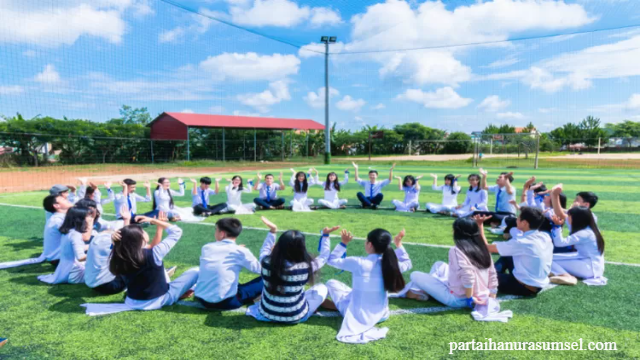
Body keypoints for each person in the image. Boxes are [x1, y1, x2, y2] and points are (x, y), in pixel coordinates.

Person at [81, 218, 198, 315]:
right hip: (159, 300)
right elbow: (177, 231)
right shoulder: (155, 252)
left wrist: (114, 236)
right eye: (142, 231)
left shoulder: (119, 254)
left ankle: (175, 291)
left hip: (131, 301)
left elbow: (120, 243)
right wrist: (155, 221)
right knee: (196, 271)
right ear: (140, 237)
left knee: (156, 268)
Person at [322, 228, 412, 344]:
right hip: (382, 314)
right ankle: (343, 304)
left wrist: (343, 243)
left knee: (331, 283)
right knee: (352, 292)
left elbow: (331, 260)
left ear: (369, 244)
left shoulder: (359, 262)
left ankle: (338, 307)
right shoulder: (392, 265)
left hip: (359, 316)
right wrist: (399, 245)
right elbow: (408, 263)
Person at [246, 217, 340, 323]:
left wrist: (273, 231)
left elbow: (265, 249)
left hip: (266, 314)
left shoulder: (266, 262)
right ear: (301, 248)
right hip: (296, 316)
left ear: (279, 246)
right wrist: (325, 236)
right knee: (322, 287)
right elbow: (324, 256)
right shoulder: (306, 266)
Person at [405, 218, 498, 308]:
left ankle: (424, 291)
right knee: (439, 265)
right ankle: (426, 291)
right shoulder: (484, 249)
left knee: (414, 275)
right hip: (479, 295)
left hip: (458, 299)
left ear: (458, 232)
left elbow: (468, 275)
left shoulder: (456, 250)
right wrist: (492, 298)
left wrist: (469, 298)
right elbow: (492, 274)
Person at [474, 207, 553, 297]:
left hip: (524, 287)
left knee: (479, 275)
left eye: (518, 218)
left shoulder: (522, 242)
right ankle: (492, 273)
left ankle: (490, 275)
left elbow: (486, 247)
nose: (516, 220)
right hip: (537, 283)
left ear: (524, 223)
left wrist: (479, 225)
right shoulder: (545, 236)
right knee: (507, 255)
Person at [194, 218, 268, 310]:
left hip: (202, 299)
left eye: (216, 230)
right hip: (226, 303)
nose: (215, 232)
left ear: (222, 234)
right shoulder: (241, 251)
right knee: (266, 278)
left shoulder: (206, 247)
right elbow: (260, 270)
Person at [0, 194, 72, 270]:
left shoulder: (59, 218)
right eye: (64, 200)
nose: (67, 200)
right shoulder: (58, 221)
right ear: (56, 206)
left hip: (58, 257)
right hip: (60, 259)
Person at [549, 206, 606, 286]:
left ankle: (566, 276)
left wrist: (557, 226)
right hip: (592, 265)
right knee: (550, 257)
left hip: (588, 268)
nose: (567, 218)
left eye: (569, 216)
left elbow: (559, 243)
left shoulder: (584, 233)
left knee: (547, 260)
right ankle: (556, 272)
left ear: (576, 218)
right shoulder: (591, 229)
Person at [38, 206, 95, 284]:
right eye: (88, 216)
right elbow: (80, 257)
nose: (90, 218)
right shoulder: (75, 235)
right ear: (80, 219)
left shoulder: (69, 231)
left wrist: (93, 246)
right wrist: (96, 253)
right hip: (76, 274)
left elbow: (74, 249)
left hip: (67, 270)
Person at [84, 205, 132, 294]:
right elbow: (126, 242)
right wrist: (126, 220)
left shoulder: (96, 238)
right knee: (133, 262)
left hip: (91, 283)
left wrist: (126, 220)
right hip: (109, 286)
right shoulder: (109, 244)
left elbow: (123, 237)